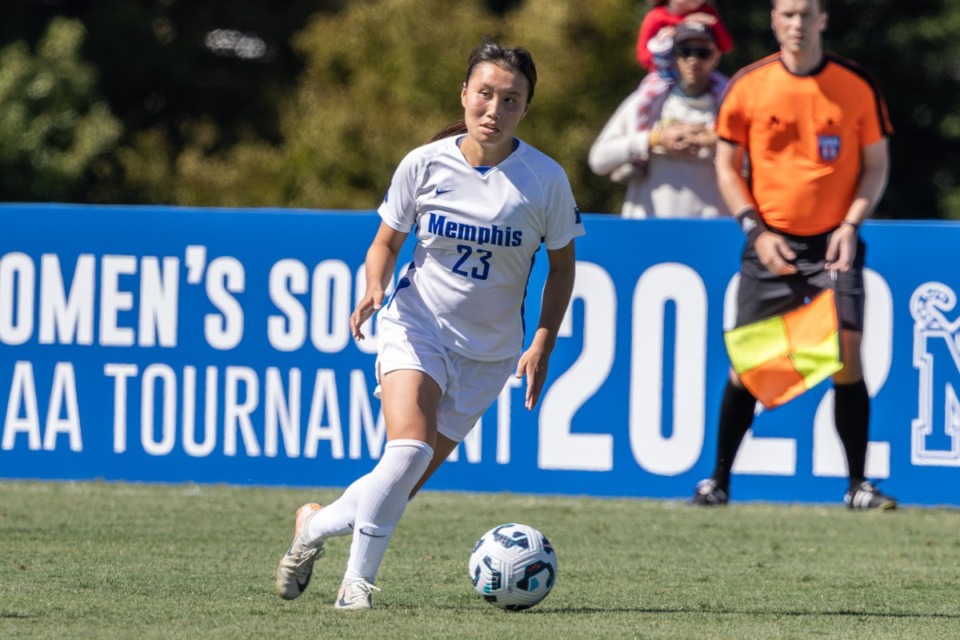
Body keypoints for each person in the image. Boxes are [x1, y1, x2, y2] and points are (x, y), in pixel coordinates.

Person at [274, 38, 584, 610]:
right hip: (415, 325)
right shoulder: (423, 163)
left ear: (525, 108)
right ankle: (356, 586)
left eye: (510, 100)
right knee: (409, 448)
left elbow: (562, 268)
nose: (494, 109)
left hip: (490, 354)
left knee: (398, 483)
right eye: (485, 94)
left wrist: (542, 341)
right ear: (464, 93)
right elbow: (385, 243)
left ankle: (313, 527)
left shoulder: (545, 180)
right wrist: (373, 286)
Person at [691, 0, 896, 510]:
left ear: (823, 19)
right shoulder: (749, 85)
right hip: (769, 242)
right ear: (774, 21)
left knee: (847, 353)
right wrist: (755, 230)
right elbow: (726, 165)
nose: (797, 24)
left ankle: (856, 486)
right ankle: (718, 483)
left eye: (806, 14)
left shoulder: (855, 85)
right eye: (787, 14)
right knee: (748, 367)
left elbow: (875, 167)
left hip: (834, 243)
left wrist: (850, 225)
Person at [589, 22, 729, 218]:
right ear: (673, 55)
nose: (693, 59)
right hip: (648, 229)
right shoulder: (648, 103)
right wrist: (654, 139)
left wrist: (721, 141)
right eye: (685, 51)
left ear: (716, 56)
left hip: (708, 231)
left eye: (702, 52)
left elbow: (758, 162)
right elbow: (599, 160)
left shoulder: (729, 107)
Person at [635, 0, 734, 74]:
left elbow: (726, 47)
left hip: (702, 76)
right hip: (665, 78)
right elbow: (643, 57)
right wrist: (662, 44)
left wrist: (714, 24)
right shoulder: (656, 17)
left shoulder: (706, 12)